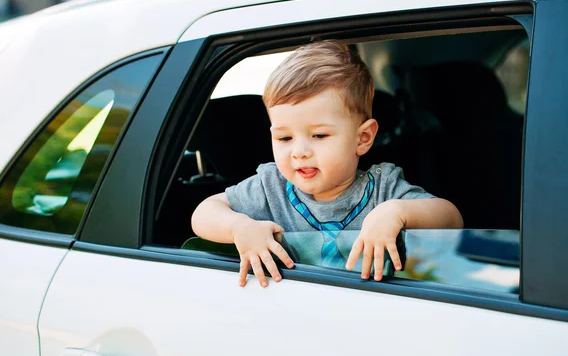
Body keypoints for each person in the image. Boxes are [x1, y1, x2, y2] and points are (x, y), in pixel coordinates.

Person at [191, 40, 463, 287]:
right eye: (284, 137)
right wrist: (239, 228)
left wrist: (397, 212)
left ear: (363, 138)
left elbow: (451, 219)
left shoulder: (383, 189)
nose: (299, 152)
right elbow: (204, 213)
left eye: (319, 135)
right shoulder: (270, 187)